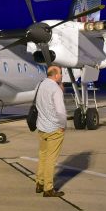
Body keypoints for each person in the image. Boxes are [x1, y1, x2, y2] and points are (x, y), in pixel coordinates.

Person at [35, 65, 67, 198]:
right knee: (50, 159)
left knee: (42, 156)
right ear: (56, 75)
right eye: (60, 73)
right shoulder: (56, 89)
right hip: (54, 129)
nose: (61, 75)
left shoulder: (40, 85)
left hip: (42, 127)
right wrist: (63, 125)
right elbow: (60, 110)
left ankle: (39, 183)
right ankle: (48, 188)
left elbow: (37, 104)